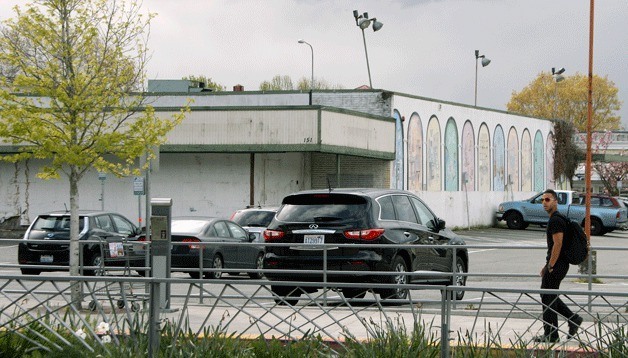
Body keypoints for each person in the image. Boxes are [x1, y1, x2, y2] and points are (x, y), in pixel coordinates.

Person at [534, 189, 583, 342]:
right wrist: (546, 265)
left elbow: (558, 244)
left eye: (547, 200)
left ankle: (551, 334)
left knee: (547, 296)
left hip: (558, 265)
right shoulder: (558, 218)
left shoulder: (556, 220)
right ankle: (572, 319)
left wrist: (550, 265)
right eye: (542, 200)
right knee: (548, 295)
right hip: (558, 264)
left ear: (555, 201)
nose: (544, 203)